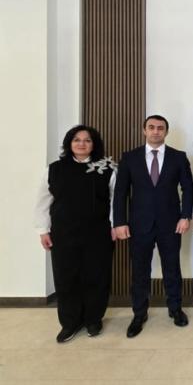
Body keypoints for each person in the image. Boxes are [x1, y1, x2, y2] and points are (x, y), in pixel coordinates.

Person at [113, 115, 193, 338]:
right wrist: (119, 221)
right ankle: (139, 314)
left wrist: (185, 216)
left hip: (171, 224)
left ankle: (175, 309)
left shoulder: (178, 157)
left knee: (172, 269)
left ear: (166, 132)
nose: (156, 131)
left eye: (160, 128)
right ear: (144, 130)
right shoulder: (130, 158)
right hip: (139, 225)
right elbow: (120, 192)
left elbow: (188, 188)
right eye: (151, 127)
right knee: (140, 272)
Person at [35, 125, 117, 343]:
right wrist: (42, 230)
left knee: (97, 276)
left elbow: (115, 201)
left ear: (94, 144)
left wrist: (114, 225)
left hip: (98, 233)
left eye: (87, 140)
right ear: (69, 144)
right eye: (77, 140)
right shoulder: (54, 169)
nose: (82, 144)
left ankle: (93, 319)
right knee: (66, 277)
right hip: (63, 233)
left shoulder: (107, 168)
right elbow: (43, 201)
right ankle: (70, 323)